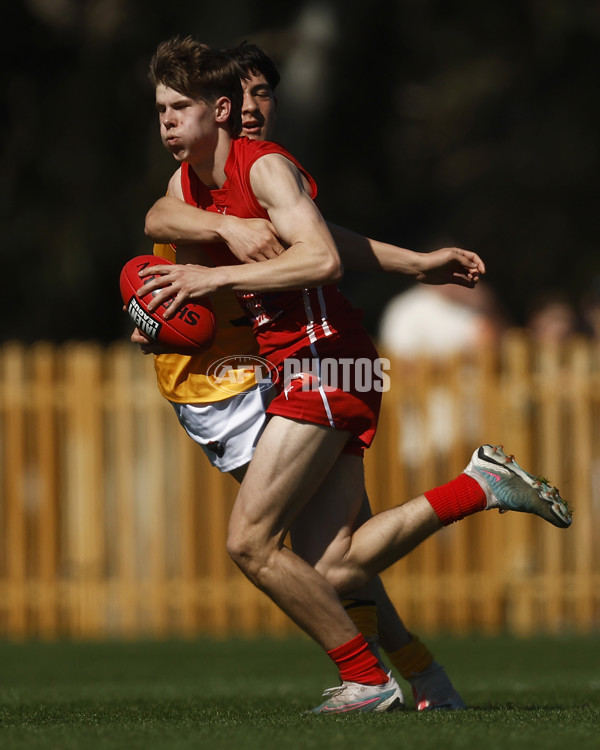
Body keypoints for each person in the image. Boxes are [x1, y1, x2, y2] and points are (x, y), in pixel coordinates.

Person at [135, 36, 572, 714]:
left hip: (322, 358)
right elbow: (160, 215)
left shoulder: (266, 168)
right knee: (335, 568)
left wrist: (214, 272)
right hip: (305, 363)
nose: (166, 120)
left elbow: (321, 257)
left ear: (216, 110)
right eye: (161, 108)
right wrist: (416, 263)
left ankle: (367, 681)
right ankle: (477, 487)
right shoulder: (200, 182)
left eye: (178, 106)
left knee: (250, 543)